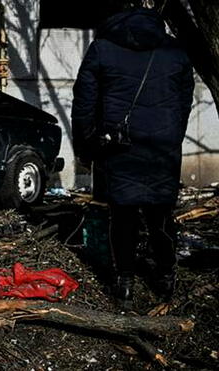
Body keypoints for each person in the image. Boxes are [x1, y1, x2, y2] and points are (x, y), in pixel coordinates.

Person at [71, 5, 194, 310]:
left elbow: (83, 102)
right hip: (162, 147)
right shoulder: (175, 51)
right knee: (161, 215)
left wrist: (86, 148)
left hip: (118, 145)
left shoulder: (102, 48)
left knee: (122, 216)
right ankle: (166, 276)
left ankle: (124, 282)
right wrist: (172, 135)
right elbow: (184, 100)